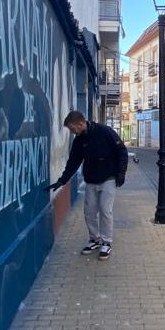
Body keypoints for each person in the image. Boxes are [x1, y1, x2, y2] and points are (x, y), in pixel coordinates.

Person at [47, 111, 129, 260]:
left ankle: (106, 242)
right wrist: (61, 181)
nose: (72, 132)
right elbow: (73, 162)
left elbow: (122, 151)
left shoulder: (104, 131)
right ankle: (94, 239)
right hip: (91, 180)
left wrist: (121, 173)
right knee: (89, 212)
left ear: (80, 123)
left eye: (72, 129)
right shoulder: (79, 140)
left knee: (105, 210)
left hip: (108, 178)